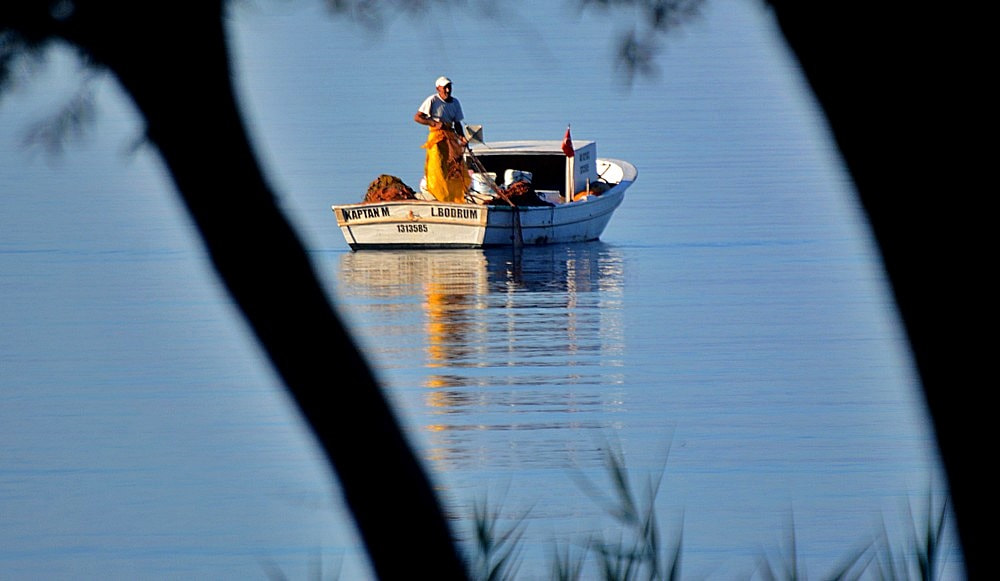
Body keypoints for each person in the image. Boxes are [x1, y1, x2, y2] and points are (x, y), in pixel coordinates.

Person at [414, 76, 471, 203]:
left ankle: (454, 196)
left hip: (450, 136)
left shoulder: (455, 103)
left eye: (449, 87)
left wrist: (462, 137)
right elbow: (418, 117)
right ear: (438, 89)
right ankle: (438, 193)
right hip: (437, 136)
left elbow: (457, 123)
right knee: (437, 165)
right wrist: (433, 123)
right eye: (444, 87)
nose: (447, 90)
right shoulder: (432, 100)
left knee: (454, 165)